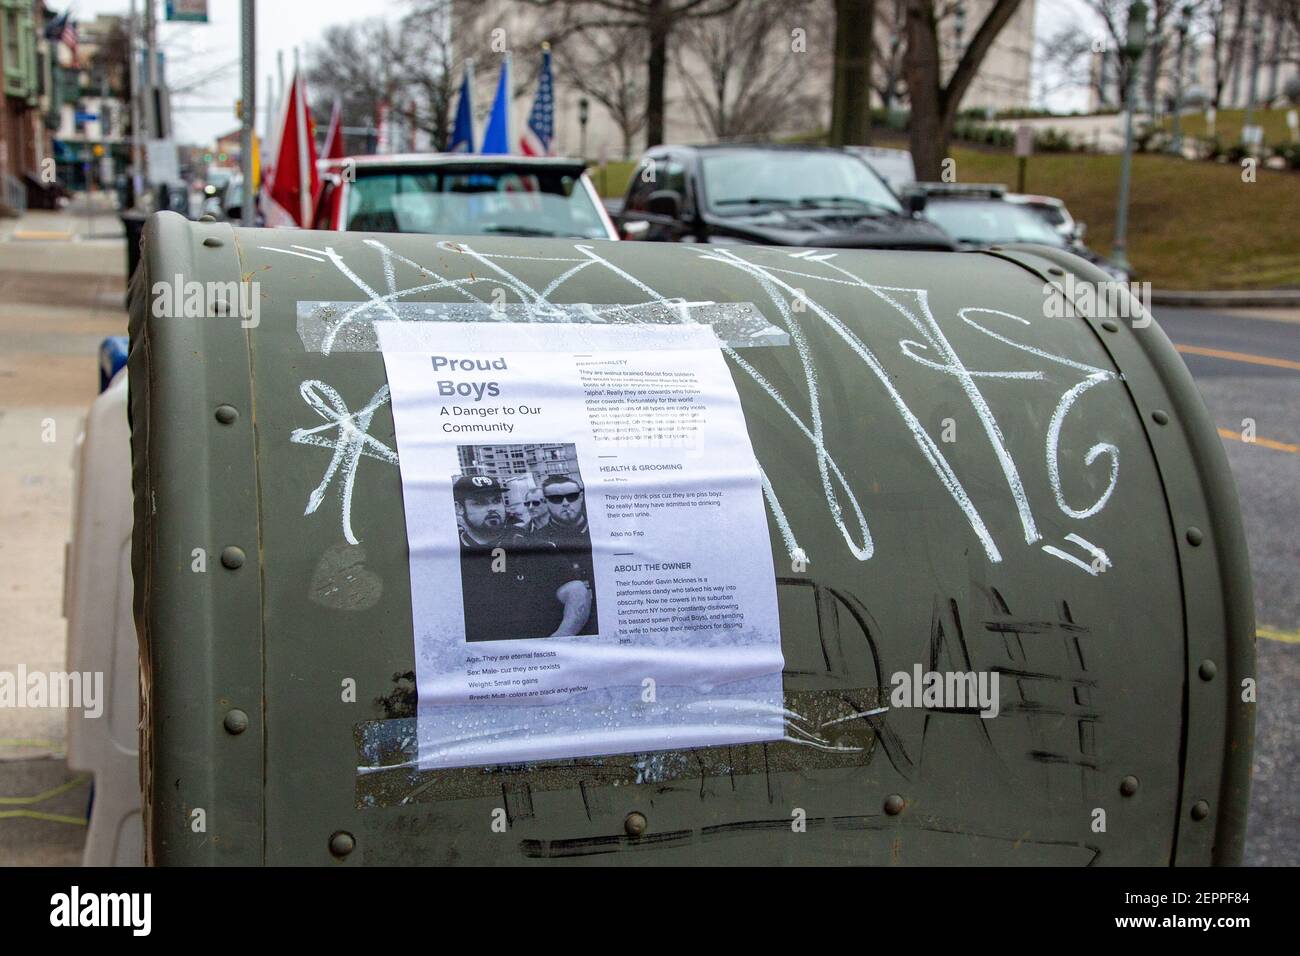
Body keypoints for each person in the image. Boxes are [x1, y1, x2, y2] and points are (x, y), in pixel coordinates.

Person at [453, 475, 592, 642]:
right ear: (459, 508)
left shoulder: (530, 543)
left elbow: (575, 591)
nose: (491, 508)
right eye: (479, 503)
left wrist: (560, 638)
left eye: (496, 500)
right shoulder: (449, 554)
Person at [536, 474, 599, 636]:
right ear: (545, 502)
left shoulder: (603, 533)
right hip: (563, 625)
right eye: (556, 499)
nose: (565, 503)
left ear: (581, 497)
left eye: (571, 497)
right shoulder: (537, 541)